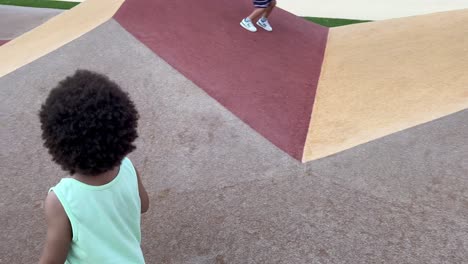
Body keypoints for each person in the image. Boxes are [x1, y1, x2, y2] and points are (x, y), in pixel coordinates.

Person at [38, 70, 149, 263]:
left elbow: (51, 261)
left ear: (58, 142)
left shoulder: (61, 200)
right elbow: (143, 205)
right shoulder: (127, 166)